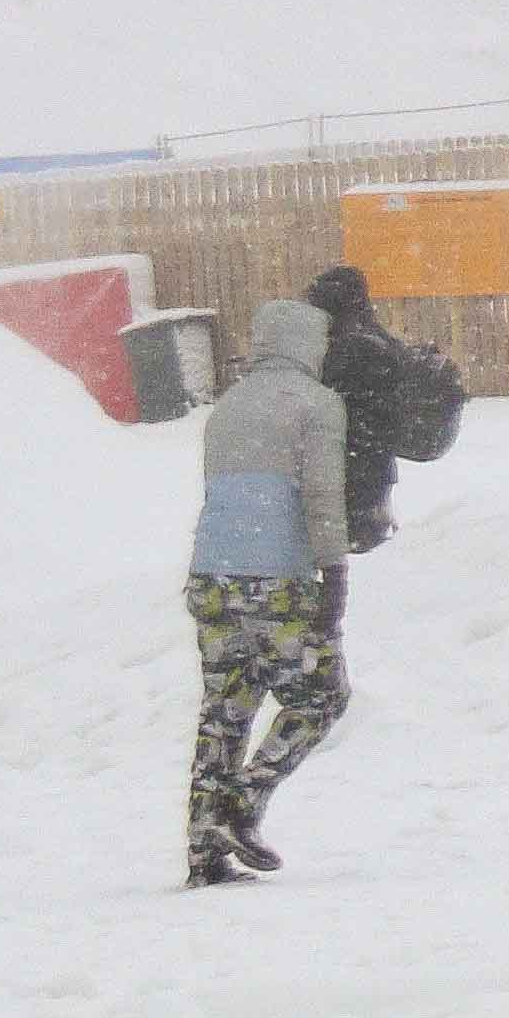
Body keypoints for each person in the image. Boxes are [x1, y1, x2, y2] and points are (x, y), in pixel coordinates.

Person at [184, 298, 351, 886]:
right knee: (321, 696)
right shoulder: (316, 405)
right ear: (309, 345)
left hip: (211, 576)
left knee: (226, 706)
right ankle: (243, 803)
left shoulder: (228, 406)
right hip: (276, 578)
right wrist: (335, 573)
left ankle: (204, 848)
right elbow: (323, 496)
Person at [298, 265, 467, 550]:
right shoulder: (376, 339)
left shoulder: (342, 347)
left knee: (346, 546)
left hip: (347, 473)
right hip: (375, 473)